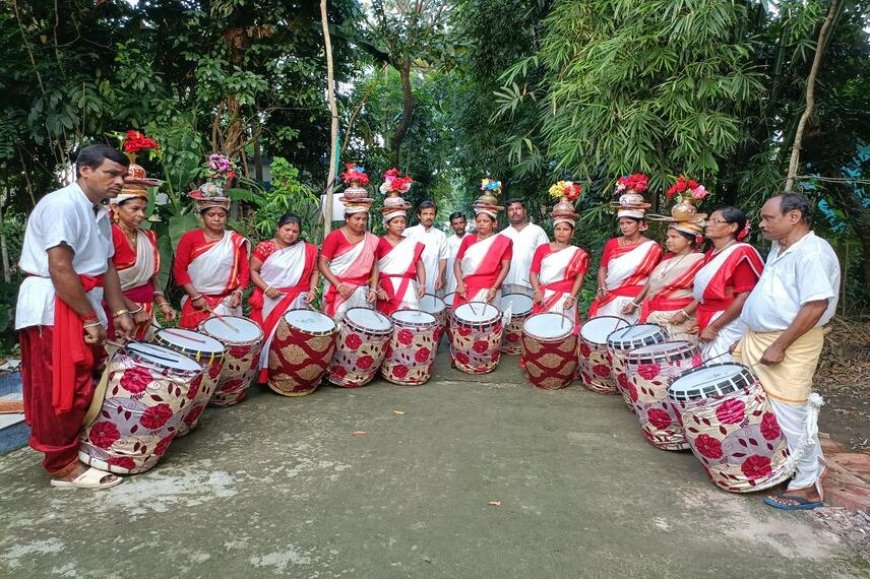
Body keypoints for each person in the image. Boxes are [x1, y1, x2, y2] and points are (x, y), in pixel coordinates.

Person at [15, 144, 134, 489]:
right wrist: (89, 318)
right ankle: (62, 465)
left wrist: (120, 310)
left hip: (81, 302)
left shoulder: (99, 211)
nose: (118, 181)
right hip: (54, 306)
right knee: (60, 388)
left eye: (122, 175)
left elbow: (107, 266)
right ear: (84, 170)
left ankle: (74, 449)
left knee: (85, 385)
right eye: (111, 173)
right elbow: (60, 267)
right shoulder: (61, 205)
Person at [734, 193, 840, 511]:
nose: (762, 223)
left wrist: (781, 345)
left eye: (769, 218)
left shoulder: (814, 252)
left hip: (790, 342)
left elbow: (817, 304)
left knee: (788, 411)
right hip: (759, 338)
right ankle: (777, 466)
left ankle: (808, 485)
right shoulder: (779, 248)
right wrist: (743, 337)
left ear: (793, 217)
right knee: (754, 405)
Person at [623, 188, 708, 340]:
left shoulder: (699, 260)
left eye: (674, 237)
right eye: (668, 236)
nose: (669, 240)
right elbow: (651, 285)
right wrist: (635, 303)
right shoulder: (666, 259)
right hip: (654, 318)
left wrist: (684, 313)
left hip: (679, 320)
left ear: (689, 239)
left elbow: (703, 295)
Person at [683, 206, 763, 359]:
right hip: (709, 317)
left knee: (719, 369)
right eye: (709, 220)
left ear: (732, 227)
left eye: (716, 221)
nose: (708, 224)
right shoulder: (710, 253)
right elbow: (705, 295)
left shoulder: (741, 253)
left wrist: (714, 327)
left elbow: (744, 296)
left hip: (729, 322)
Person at [108, 167, 176, 340]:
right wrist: (133, 309)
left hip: (146, 310)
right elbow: (104, 282)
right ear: (116, 207)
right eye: (135, 209)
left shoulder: (148, 236)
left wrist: (162, 302)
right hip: (116, 312)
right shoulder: (108, 236)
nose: (141, 215)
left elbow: (151, 276)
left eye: (144, 209)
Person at [249, 214, 319, 382]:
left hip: (298, 300)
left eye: (295, 231)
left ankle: (290, 374)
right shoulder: (265, 247)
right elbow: (252, 270)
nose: (290, 234)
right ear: (278, 229)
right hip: (271, 300)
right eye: (287, 229)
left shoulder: (306, 250)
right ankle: (266, 375)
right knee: (270, 339)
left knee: (293, 340)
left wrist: (313, 290)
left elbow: (315, 271)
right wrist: (266, 288)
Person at [173, 181, 250, 330]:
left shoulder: (235, 240)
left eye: (221, 215)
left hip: (228, 305)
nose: (217, 218)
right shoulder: (189, 238)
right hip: (198, 304)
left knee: (228, 350)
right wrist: (195, 296)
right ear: (202, 216)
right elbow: (180, 271)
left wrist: (239, 292)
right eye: (211, 215)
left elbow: (244, 272)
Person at [588, 174, 662, 323]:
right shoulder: (612, 243)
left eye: (629, 223)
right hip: (610, 297)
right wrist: (601, 286)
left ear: (640, 225)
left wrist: (635, 302)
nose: (625, 227)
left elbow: (653, 280)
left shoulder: (652, 248)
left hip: (636, 300)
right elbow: (603, 268)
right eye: (622, 223)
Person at [319, 173, 379, 321]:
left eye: (364, 219)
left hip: (362, 290)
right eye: (357, 218)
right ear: (347, 218)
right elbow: (322, 263)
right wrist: (338, 285)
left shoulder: (372, 240)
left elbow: (375, 265)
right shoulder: (335, 236)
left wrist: (373, 288)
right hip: (338, 289)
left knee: (360, 329)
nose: (361, 222)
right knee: (336, 326)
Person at [529, 182, 588, 328]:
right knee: (541, 332)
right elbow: (533, 273)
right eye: (558, 229)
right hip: (543, 297)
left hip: (565, 299)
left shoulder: (578, 254)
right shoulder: (542, 249)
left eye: (565, 229)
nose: (561, 232)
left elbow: (579, 278)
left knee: (564, 333)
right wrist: (536, 290)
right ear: (553, 230)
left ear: (572, 232)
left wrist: (572, 297)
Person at [453, 179, 513, 306]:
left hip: (490, 290)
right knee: (464, 323)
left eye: (485, 221)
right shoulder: (468, 239)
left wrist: (494, 288)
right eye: (479, 221)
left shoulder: (503, 242)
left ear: (494, 223)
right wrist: (459, 283)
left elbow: (505, 267)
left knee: (487, 323)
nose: (481, 224)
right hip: (466, 288)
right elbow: (457, 263)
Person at [376, 190, 426, 315]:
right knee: (387, 323)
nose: (400, 225)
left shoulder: (412, 243)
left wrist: (423, 284)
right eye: (395, 222)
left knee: (409, 324)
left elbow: (419, 264)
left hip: (409, 288)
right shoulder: (379, 243)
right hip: (387, 289)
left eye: (402, 222)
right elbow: (373, 268)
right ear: (387, 225)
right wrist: (378, 289)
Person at [499, 198, 549, 297]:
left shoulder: (537, 231)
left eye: (518, 208)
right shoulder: (502, 235)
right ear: (507, 213)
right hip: (506, 286)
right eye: (510, 209)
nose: (514, 212)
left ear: (524, 210)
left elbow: (546, 258)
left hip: (531, 286)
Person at [403, 200, 448, 296]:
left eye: (431, 214)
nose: (428, 217)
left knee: (431, 307)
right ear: (419, 215)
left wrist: (440, 277)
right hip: (412, 279)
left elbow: (443, 258)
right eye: (425, 214)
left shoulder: (440, 235)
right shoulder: (408, 233)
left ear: (435, 215)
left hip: (433, 280)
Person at [444, 212, 467, 295]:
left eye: (461, 223)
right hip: (450, 281)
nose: (459, 226)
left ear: (465, 223)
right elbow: (444, 262)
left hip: (468, 282)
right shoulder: (447, 242)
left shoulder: (473, 240)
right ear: (451, 226)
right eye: (455, 224)